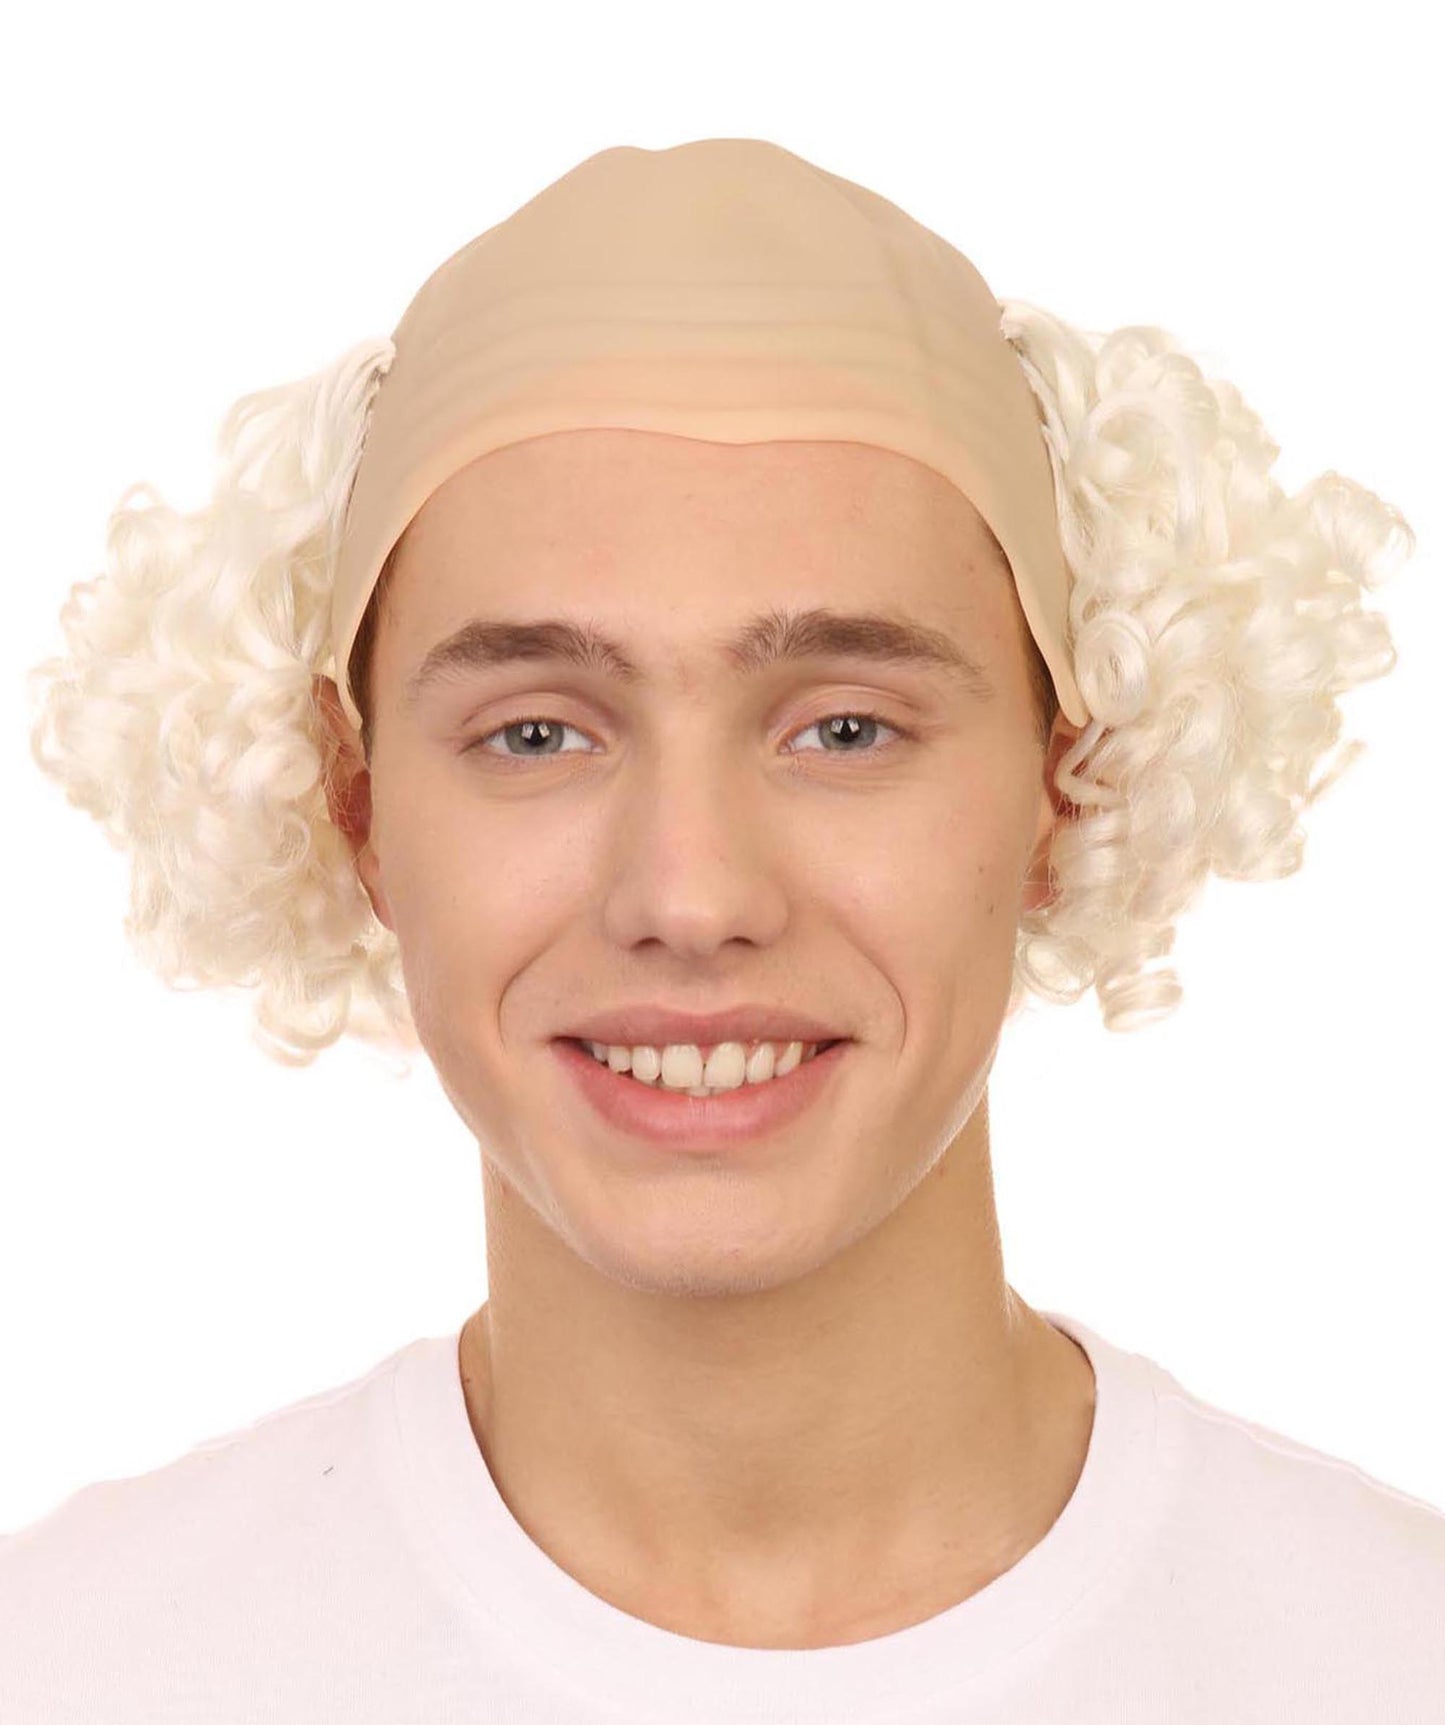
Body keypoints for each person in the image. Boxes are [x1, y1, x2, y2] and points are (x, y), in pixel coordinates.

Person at [7, 138, 1441, 1719]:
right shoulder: (77, 1663)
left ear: (1069, 780)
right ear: (356, 809)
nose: (689, 898)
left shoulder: (1388, 1657)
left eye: (844, 727)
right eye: (536, 733)